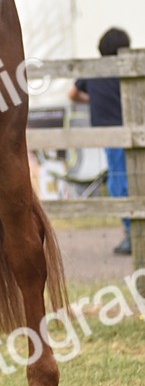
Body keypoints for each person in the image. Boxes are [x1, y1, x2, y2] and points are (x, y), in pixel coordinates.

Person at [68, 27, 132, 255]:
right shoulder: (127, 68)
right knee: (131, 182)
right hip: (132, 131)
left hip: (110, 134)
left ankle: (131, 235)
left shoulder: (93, 71)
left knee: (119, 184)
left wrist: (92, 100)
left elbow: (72, 93)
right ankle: (133, 232)